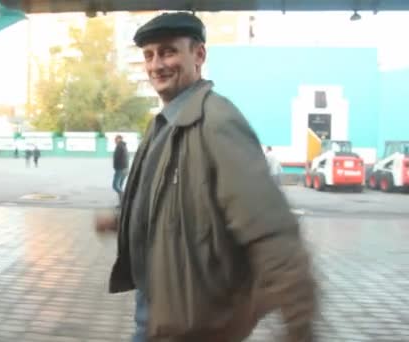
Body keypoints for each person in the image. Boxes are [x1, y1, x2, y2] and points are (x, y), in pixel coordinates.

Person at [95, 12, 317, 342]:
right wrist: (121, 220)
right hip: (158, 309)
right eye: (149, 55)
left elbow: (270, 231)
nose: (157, 65)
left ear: (199, 55)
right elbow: (168, 200)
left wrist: (300, 329)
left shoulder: (216, 121)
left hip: (195, 323)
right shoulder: (163, 124)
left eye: (168, 51)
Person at [112, 135, 129, 206]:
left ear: (119, 139)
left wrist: (115, 167)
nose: (114, 141)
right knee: (120, 186)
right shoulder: (124, 146)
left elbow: (117, 158)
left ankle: (125, 197)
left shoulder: (119, 146)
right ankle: (122, 204)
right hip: (125, 169)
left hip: (120, 169)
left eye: (115, 139)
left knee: (115, 186)